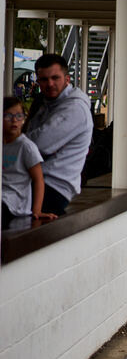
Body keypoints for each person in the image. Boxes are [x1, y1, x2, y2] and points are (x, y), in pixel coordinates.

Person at [23, 53, 93, 215]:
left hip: (53, 187)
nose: (50, 84)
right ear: (38, 81)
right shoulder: (45, 103)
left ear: (67, 79)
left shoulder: (75, 108)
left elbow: (38, 144)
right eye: (44, 80)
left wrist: (18, 142)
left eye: (55, 78)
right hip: (34, 181)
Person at [2, 97, 57, 228]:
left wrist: (36, 210)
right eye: (8, 116)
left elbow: (38, 179)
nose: (14, 120)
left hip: (14, 204)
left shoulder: (26, 147)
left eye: (19, 116)